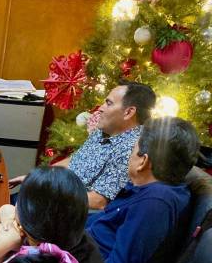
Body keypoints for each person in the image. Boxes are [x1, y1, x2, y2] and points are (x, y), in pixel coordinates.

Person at [86, 117, 199, 263]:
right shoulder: (149, 191)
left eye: (133, 149)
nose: (129, 155)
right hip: (76, 247)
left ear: (143, 161)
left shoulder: (155, 203)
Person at [9, 81, 156, 210]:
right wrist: (38, 176)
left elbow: (99, 201)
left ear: (129, 112)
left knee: (5, 209)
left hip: (72, 211)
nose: (100, 108)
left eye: (109, 103)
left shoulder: (132, 148)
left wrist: (50, 190)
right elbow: (75, 160)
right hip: (57, 195)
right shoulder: (106, 129)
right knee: (4, 198)